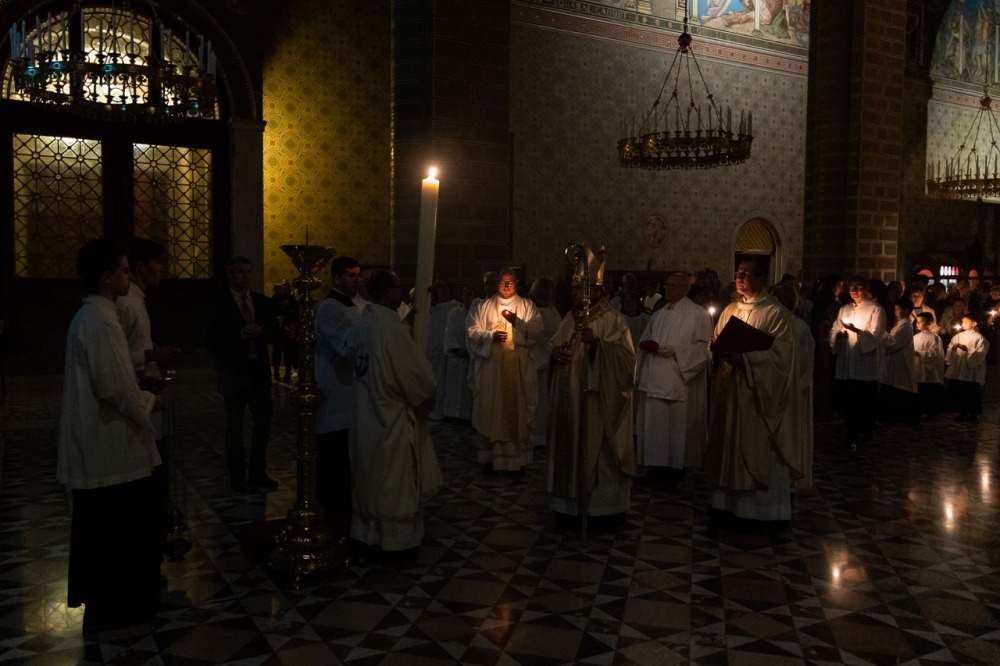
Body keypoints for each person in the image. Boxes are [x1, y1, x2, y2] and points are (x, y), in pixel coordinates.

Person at [58, 239, 162, 632]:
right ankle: (118, 607)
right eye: (124, 270)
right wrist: (150, 401)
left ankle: (115, 603)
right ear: (106, 277)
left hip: (106, 447)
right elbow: (113, 386)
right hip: (110, 448)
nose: (130, 276)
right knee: (115, 532)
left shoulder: (96, 316)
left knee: (109, 530)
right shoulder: (100, 320)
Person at [350, 270, 443, 564]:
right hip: (391, 420)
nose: (401, 293)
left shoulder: (365, 322)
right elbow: (417, 380)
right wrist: (425, 397)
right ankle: (397, 545)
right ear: (388, 292)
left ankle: (367, 538)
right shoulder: (390, 329)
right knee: (394, 484)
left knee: (372, 481)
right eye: (398, 288)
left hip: (366, 416)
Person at [705, 259, 802, 524]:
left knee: (755, 444)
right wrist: (715, 351)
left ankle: (758, 512)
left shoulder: (776, 313)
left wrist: (747, 360)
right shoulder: (730, 309)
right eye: (738, 273)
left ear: (761, 279)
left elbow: (782, 358)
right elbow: (717, 340)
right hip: (729, 390)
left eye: (746, 274)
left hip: (756, 396)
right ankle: (724, 504)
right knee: (728, 443)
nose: (740, 277)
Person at [546, 260, 636, 530]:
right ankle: (566, 508)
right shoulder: (570, 317)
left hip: (596, 405)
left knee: (597, 452)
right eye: (573, 288)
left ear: (595, 291)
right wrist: (555, 352)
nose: (573, 293)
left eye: (579, 289)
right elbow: (554, 342)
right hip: (569, 402)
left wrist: (599, 348)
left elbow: (627, 363)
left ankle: (601, 511)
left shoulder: (613, 320)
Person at [117, 237, 181, 557]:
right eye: (157, 262)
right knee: (150, 478)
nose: (162, 269)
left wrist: (154, 353)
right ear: (141, 267)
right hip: (139, 399)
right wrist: (153, 355)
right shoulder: (126, 304)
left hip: (149, 396)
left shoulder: (137, 300)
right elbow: (117, 359)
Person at [205, 256, 279, 492]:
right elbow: (210, 338)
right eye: (240, 272)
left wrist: (261, 333)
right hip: (233, 373)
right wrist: (239, 334)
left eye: (248, 272)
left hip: (258, 374)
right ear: (230, 274)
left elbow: (275, 333)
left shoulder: (262, 302)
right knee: (234, 426)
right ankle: (236, 474)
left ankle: (258, 472)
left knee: (263, 424)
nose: (245, 277)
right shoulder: (218, 303)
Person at [634, 272, 712, 490]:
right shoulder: (659, 314)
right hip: (654, 377)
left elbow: (703, 349)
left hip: (678, 379)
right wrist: (647, 346)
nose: (668, 289)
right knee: (655, 427)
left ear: (686, 289)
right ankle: (654, 469)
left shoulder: (697, 314)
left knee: (675, 428)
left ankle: (674, 472)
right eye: (667, 285)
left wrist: (675, 351)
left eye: (674, 286)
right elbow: (645, 338)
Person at [467, 267, 542, 474]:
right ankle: (491, 459)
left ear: (516, 283)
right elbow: (471, 332)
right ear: (498, 282)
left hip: (517, 368)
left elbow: (537, 330)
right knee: (491, 410)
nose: (506, 286)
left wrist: (516, 322)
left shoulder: (527, 306)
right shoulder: (484, 306)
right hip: (492, 369)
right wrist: (491, 336)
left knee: (517, 411)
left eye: (510, 282)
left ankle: (517, 462)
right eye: (503, 282)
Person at [314, 255, 363, 519]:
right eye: (350, 275)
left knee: (347, 454)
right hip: (335, 386)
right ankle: (333, 508)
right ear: (336, 278)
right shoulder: (329, 308)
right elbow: (345, 347)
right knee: (334, 452)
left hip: (351, 387)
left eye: (358, 275)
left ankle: (344, 505)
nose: (356, 280)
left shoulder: (354, 305)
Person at [830, 275, 886, 449]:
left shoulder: (876, 309)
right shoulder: (844, 309)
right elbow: (834, 329)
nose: (854, 290)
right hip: (847, 359)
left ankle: (864, 429)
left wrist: (857, 331)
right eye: (852, 287)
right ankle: (851, 430)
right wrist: (838, 335)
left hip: (864, 362)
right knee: (849, 399)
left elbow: (877, 334)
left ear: (866, 289)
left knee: (864, 399)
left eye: (859, 287)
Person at [771, 284, 815, 490]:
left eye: (775, 298)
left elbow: (802, 365)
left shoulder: (799, 328)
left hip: (790, 392)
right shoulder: (770, 324)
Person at [530, 276, 563, 448]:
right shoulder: (534, 311)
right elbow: (545, 335)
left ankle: (545, 435)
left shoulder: (552, 309)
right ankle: (536, 436)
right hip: (538, 361)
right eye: (551, 290)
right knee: (538, 402)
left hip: (550, 361)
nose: (554, 293)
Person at [426, 279, 461, 421]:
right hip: (434, 346)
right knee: (436, 377)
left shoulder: (456, 306)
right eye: (440, 288)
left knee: (450, 378)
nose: (443, 291)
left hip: (451, 347)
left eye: (445, 287)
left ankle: (449, 409)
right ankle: (434, 409)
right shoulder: (431, 307)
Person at [879, 299, 918, 424]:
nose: (895, 312)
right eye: (895, 309)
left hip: (901, 361)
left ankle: (900, 417)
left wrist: (882, 333)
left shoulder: (906, 326)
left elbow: (893, 344)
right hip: (895, 361)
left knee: (900, 387)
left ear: (906, 310)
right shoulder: (900, 325)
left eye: (898, 309)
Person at [945, 315, 989, 422]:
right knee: (961, 390)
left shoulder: (979, 338)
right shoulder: (958, 336)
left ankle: (974, 413)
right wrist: (953, 348)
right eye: (962, 321)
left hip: (971, 369)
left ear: (974, 324)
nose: (963, 323)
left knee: (972, 390)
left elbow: (981, 352)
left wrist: (967, 350)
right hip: (960, 366)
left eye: (965, 321)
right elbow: (950, 348)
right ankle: (963, 411)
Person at [442, 286, 475, 420]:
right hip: (456, 356)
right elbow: (449, 331)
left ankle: (466, 414)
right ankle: (452, 412)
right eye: (464, 294)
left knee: (467, 387)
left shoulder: (476, 313)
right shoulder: (455, 313)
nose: (466, 297)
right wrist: (455, 348)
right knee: (454, 385)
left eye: (469, 294)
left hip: (470, 356)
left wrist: (471, 350)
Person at [913, 312, 945, 419]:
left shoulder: (935, 338)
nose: (917, 323)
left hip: (929, 370)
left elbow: (935, 354)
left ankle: (931, 412)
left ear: (929, 322)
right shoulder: (915, 337)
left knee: (929, 390)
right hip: (918, 367)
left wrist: (920, 353)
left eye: (921, 321)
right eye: (917, 321)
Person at [271, 280, 298, 382]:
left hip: (288, 328)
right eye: (283, 285)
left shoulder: (291, 298)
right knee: (276, 352)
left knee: (288, 352)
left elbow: (295, 312)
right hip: (277, 328)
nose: (285, 287)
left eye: (287, 285)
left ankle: (287, 373)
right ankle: (276, 373)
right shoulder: (275, 297)